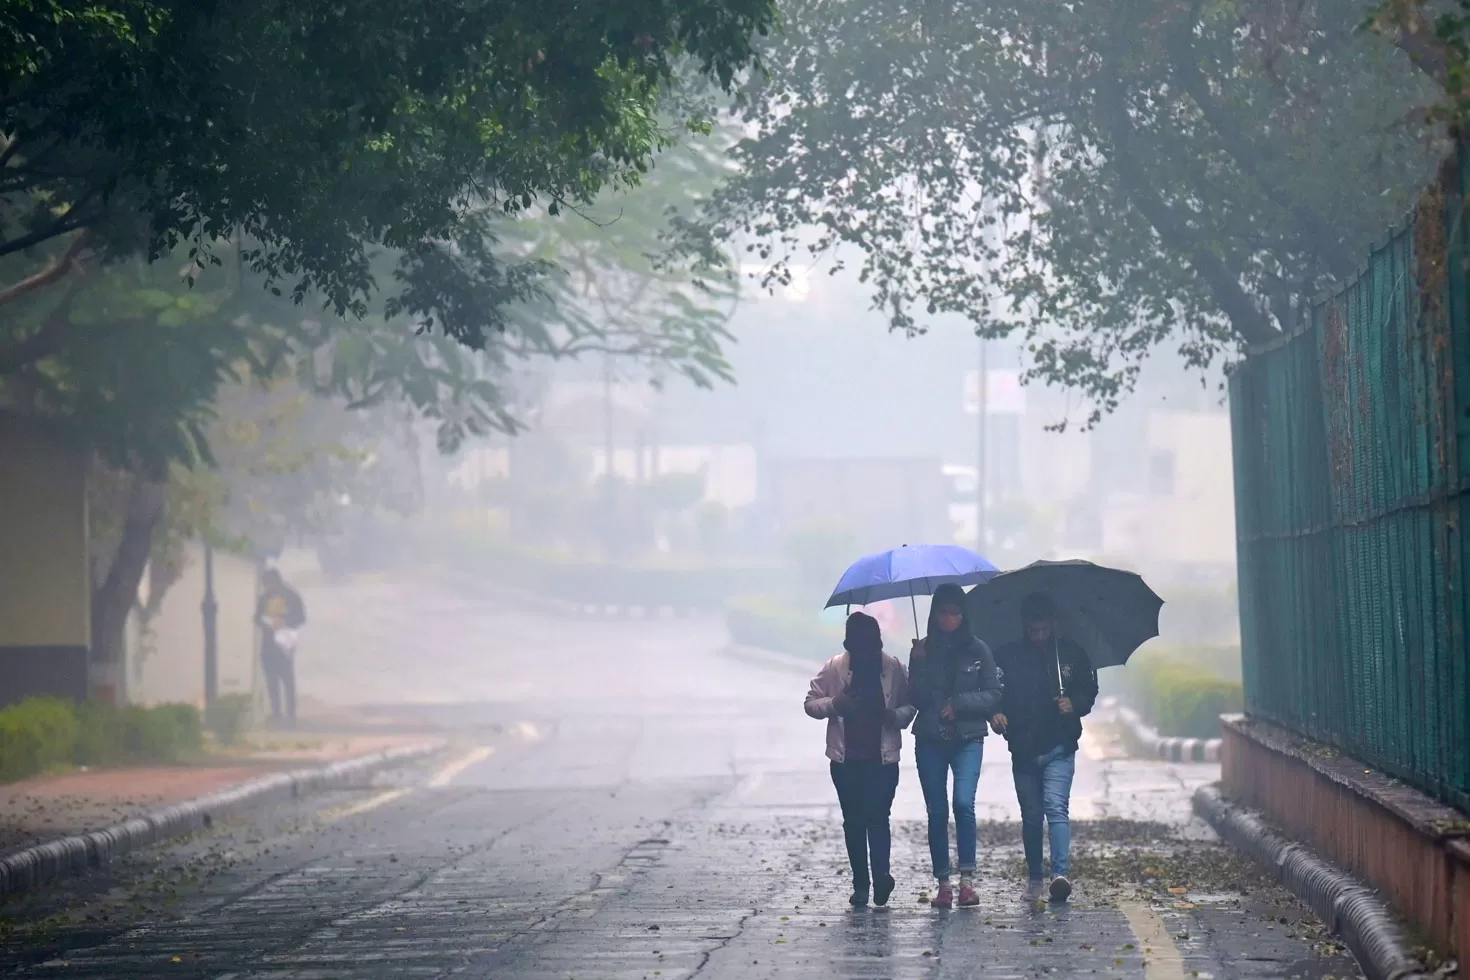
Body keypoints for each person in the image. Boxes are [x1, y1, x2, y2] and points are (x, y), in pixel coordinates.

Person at [990, 592, 1099, 903]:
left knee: (1056, 807)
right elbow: (994, 691)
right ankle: (1035, 874)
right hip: (1023, 748)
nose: (1038, 635)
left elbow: (1088, 690)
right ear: (1025, 626)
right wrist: (996, 714)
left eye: (1043, 629)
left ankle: (1060, 873)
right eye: (1032, 630)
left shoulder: (1071, 654)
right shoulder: (1006, 656)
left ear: (1052, 624)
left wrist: (1074, 703)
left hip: (1060, 745)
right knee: (1031, 815)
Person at [805, 612, 916, 908]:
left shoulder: (892, 667)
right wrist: (835, 704)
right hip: (845, 760)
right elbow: (810, 703)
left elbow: (911, 702)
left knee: (877, 818)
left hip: (883, 758)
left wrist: (895, 716)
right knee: (853, 822)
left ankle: (881, 877)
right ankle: (861, 886)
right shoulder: (834, 668)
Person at [908, 582, 1002, 909]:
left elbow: (993, 692)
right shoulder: (922, 649)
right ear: (934, 614)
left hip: (968, 737)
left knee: (963, 803)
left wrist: (960, 704)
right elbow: (915, 698)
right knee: (937, 810)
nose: (950, 619)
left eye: (955, 613)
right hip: (931, 738)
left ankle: (967, 881)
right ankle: (943, 883)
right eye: (944, 613)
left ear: (964, 615)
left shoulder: (978, 650)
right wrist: (918, 663)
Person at [256, 563, 306, 727]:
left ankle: (290, 714)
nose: (266, 587)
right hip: (268, 643)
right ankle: (277, 713)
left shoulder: (291, 596)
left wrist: (285, 622)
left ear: (275, 581)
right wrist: (267, 623)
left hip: (284, 643)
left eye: (268, 583)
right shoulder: (265, 598)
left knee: (286, 679)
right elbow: (257, 618)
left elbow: (300, 618)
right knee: (272, 680)